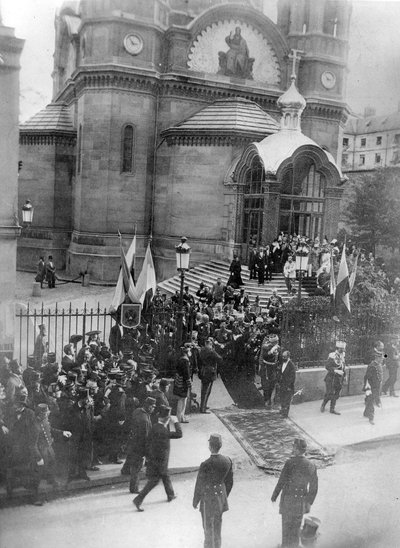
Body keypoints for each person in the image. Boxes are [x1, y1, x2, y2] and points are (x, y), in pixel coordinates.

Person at [133, 405, 182, 511]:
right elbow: (179, 434)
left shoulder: (154, 427)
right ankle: (138, 499)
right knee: (154, 481)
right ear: (167, 419)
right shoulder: (163, 431)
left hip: (154, 459)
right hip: (160, 461)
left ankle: (171, 494)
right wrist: (176, 422)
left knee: (165, 477)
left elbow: (148, 443)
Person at [271, 438, 318, 548]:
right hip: (300, 503)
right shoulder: (311, 465)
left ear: (296, 450)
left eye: (293, 447)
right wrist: (308, 502)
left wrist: (274, 495)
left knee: (286, 529)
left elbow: (281, 481)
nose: (292, 449)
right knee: (296, 529)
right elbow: (314, 487)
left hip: (287, 501)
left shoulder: (289, 463)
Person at [193, 433, 233, 548]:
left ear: (210, 446)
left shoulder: (205, 464)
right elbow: (230, 482)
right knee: (217, 528)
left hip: (208, 500)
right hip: (220, 498)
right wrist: (224, 496)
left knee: (207, 529)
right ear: (220, 445)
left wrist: (195, 501)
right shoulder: (227, 461)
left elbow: (199, 484)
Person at [124, 396, 155, 493]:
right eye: (153, 406)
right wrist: (147, 452)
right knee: (137, 468)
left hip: (132, 442)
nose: (153, 409)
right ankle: (134, 488)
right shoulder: (145, 420)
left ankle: (124, 470)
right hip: (139, 446)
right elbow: (145, 438)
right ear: (149, 406)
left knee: (131, 460)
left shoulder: (137, 411)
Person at [320, 340, 346, 415]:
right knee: (329, 393)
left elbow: (343, 366)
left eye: (343, 349)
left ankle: (332, 409)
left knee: (336, 394)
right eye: (341, 349)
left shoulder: (342, 355)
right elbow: (327, 366)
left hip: (339, 379)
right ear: (338, 348)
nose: (343, 350)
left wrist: (345, 375)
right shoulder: (332, 355)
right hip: (331, 378)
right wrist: (335, 371)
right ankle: (323, 405)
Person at [363, 341, 385, 425]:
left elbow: (379, 376)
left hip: (377, 385)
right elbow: (367, 377)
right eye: (381, 359)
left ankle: (365, 413)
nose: (382, 360)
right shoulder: (372, 366)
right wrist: (368, 388)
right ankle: (371, 417)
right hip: (371, 386)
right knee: (371, 401)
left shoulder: (378, 364)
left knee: (370, 400)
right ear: (377, 358)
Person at [198, 339, 223, 414]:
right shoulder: (211, 352)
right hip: (210, 372)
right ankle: (203, 408)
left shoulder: (201, 351)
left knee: (203, 390)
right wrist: (214, 350)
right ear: (210, 344)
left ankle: (203, 405)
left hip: (203, 371)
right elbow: (220, 358)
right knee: (207, 391)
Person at [259, 333, 280, 409]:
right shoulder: (265, 346)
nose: (277, 343)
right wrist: (271, 351)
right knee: (265, 385)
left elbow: (279, 357)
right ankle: (266, 400)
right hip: (266, 367)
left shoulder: (278, 347)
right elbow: (265, 355)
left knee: (272, 383)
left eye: (277, 341)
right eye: (275, 342)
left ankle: (270, 399)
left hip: (273, 367)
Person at [173, 345, 192, 423]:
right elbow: (187, 374)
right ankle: (180, 418)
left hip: (178, 382)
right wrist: (189, 384)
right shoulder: (185, 361)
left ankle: (180, 417)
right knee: (182, 400)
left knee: (181, 400)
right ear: (187, 352)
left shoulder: (180, 359)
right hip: (183, 383)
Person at [279, 351, 296, 418]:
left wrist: (289, 386)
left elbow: (292, 377)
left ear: (288, 357)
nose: (283, 358)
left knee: (287, 399)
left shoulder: (291, 365)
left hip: (288, 385)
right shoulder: (282, 363)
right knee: (282, 397)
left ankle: (285, 413)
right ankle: (282, 410)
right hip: (282, 384)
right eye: (282, 356)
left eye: (285, 357)